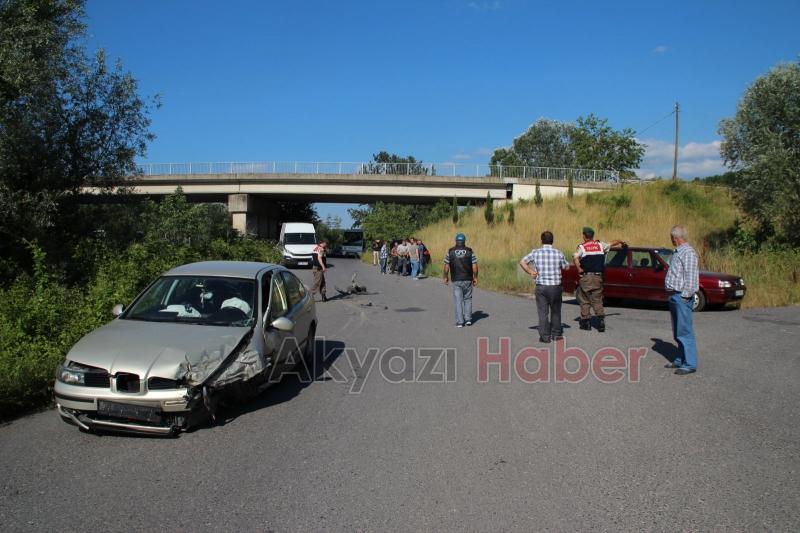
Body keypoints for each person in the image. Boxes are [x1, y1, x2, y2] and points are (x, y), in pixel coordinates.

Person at [573, 227, 626, 332]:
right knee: (597, 299)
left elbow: (575, 257)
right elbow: (612, 243)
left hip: (587, 276)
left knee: (584, 299)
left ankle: (586, 323)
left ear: (584, 236)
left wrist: (579, 268)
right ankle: (601, 321)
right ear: (592, 236)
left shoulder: (582, 247)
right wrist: (620, 241)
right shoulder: (600, 245)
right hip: (598, 277)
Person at [519, 231, 569, 343]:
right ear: (553, 241)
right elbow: (566, 267)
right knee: (556, 311)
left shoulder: (535, 252)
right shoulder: (559, 253)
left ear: (541, 241)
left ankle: (545, 337)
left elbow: (522, 262)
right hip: (555, 286)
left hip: (541, 286)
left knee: (543, 312)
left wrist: (531, 271)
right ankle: (556, 334)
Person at [664, 225, 700, 375]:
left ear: (675, 238)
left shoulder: (688, 253)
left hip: (681, 297)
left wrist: (685, 296)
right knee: (677, 331)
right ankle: (680, 359)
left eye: (671, 238)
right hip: (674, 296)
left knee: (684, 331)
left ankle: (690, 363)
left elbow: (691, 278)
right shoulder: (678, 252)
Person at [443, 233, 478, 327]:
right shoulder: (470, 251)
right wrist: (475, 277)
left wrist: (445, 277)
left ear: (456, 241)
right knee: (468, 299)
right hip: (468, 279)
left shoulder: (450, 252)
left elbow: (446, 267)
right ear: (464, 241)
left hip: (456, 279)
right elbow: (474, 267)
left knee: (458, 300)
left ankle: (460, 322)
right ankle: (468, 320)